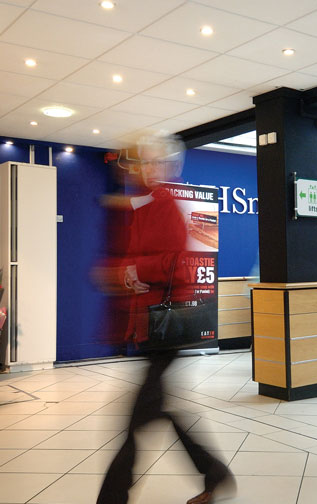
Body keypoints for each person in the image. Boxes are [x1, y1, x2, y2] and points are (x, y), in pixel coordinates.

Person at [97, 133, 234, 504]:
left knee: (136, 419)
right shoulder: (137, 205)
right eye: (138, 162)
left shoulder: (164, 204)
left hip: (164, 327)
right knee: (156, 411)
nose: (143, 169)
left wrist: (128, 269)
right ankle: (216, 475)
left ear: (166, 166)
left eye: (151, 162)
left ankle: (113, 497)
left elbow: (179, 265)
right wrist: (120, 273)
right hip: (147, 326)